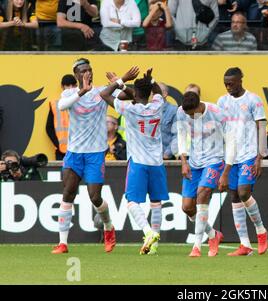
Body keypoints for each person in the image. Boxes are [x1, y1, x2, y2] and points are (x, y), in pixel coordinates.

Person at [51, 58, 116, 254]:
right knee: (68, 193)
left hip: (95, 153)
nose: (87, 73)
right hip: (74, 153)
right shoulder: (70, 93)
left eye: (89, 69)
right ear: (76, 74)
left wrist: (119, 81)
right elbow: (62, 106)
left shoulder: (102, 92)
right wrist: (82, 91)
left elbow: (124, 95)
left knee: (95, 197)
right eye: (83, 70)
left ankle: (108, 227)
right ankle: (63, 243)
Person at [100, 67, 166, 255]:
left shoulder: (129, 108)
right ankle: (154, 246)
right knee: (156, 203)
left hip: (138, 162)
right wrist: (151, 81)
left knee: (131, 202)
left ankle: (148, 233)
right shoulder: (157, 105)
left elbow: (105, 94)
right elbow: (159, 93)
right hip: (157, 163)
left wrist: (121, 79)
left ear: (135, 94)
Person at [217, 67, 268, 256]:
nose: (228, 87)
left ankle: (261, 231)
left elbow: (262, 127)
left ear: (240, 80)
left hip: (248, 154)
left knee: (244, 191)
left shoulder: (253, 100)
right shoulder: (222, 101)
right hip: (231, 156)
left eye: (231, 83)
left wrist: (259, 157)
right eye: (225, 84)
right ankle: (245, 244)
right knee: (235, 196)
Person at [177, 91, 231, 257]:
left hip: (214, 160)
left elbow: (231, 141)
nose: (191, 118)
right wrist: (184, 161)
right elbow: (181, 135)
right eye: (188, 115)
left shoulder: (217, 113)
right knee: (187, 207)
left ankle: (197, 246)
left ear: (199, 106)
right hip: (193, 162)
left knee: (202, 194)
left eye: (193, 114)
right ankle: (213, 235)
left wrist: (226, 171)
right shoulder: (181, 112)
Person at [46, 74, 77, 160]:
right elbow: (49, 128)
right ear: (62, 87)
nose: (70, 88)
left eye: (73, 85)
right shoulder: (55, 105)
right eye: (67, 85)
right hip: (62, 151)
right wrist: (58, 145)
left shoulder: (83, 103)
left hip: (80, 150)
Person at [159, 82, 178, 160]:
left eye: (155, 92)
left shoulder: (174, 110)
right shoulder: (146, 110)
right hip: (149, 158)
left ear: (164, 94)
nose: (152, 95)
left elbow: (177, 135)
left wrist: (167, 153)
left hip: (166, 158)